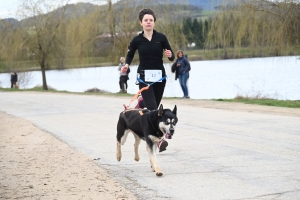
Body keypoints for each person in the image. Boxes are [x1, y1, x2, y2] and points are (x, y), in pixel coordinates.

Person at [121, 8, 175, 152]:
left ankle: (141, 103)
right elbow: (130, 55)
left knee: (154, 106)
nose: (148, 22)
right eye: (146, 20)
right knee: (153, 109)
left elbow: (171, 56)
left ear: (154, 22)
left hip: (160, 78)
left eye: (151, 20)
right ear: (141, 23)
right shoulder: (137, 40)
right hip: (144, 78)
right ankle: (158, 141)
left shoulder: (161, 38)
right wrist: (126, 65)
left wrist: (170, 54)